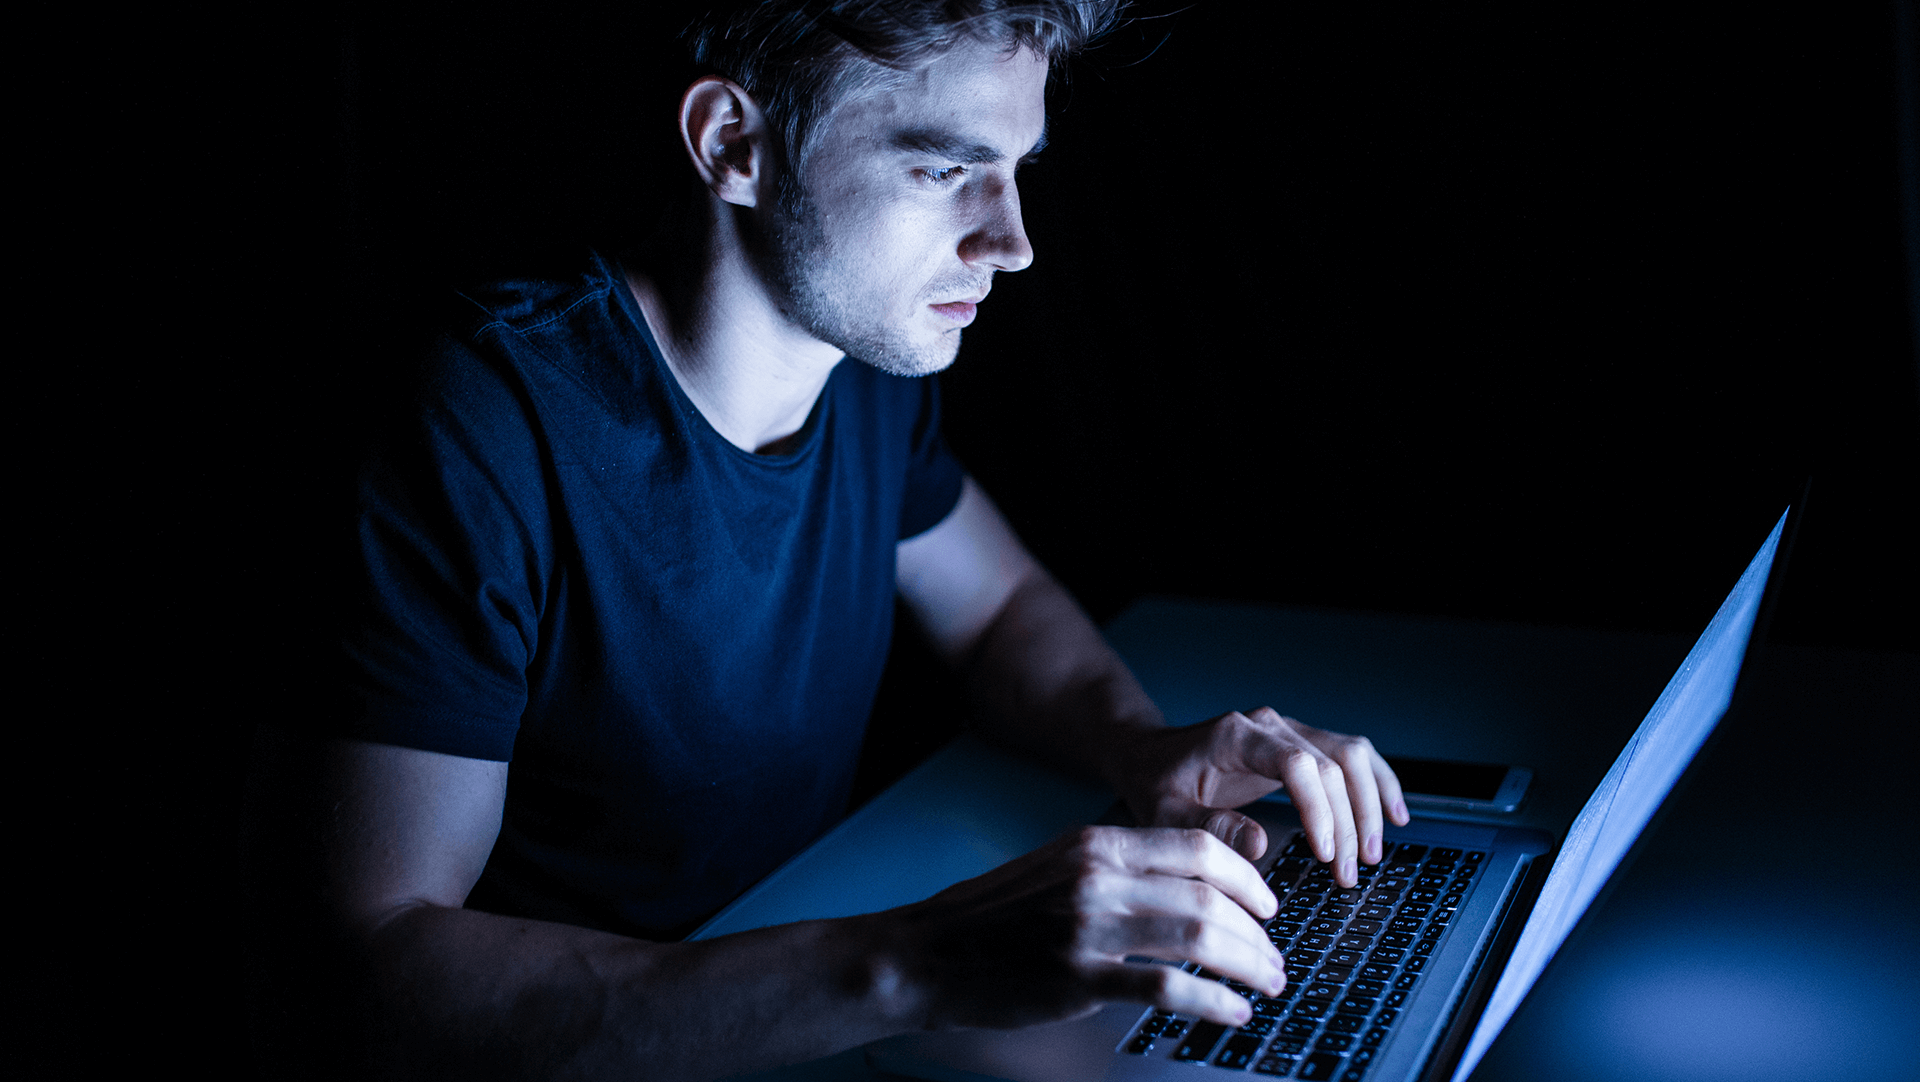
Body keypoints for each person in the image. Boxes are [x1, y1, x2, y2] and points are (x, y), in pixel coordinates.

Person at [312, 3, 1409, 1078]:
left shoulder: (864, 360)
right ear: (734, 144)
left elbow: (996, 612)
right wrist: (919, 963)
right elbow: (363, 973)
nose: (1013, 241)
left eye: (1016, 168)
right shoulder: (483, 424)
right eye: (943, 171)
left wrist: (1140, 748)